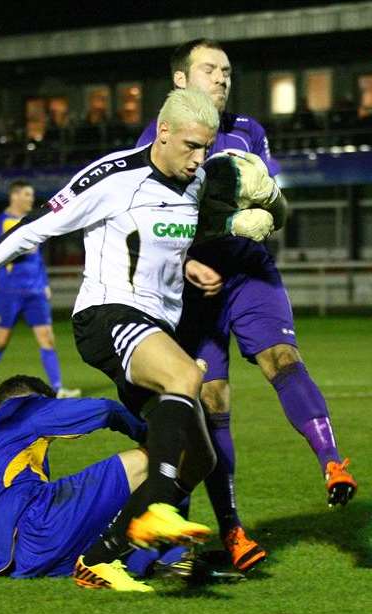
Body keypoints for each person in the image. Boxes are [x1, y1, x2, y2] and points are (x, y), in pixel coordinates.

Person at [0, 88, 268, 592]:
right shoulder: (112, 176)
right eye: (191, 146)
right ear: (162, 132)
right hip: (106, 316)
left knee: (199, 457)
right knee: (187, 376)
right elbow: (34, 228)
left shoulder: (196, 179)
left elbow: (167, 235)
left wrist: (195, 259)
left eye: (206, 148)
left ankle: (103, 555)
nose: (199, 159)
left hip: (156, 327)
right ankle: (156, 507)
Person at [133, 38, 357, 577]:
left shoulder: (248, 130)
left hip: (249, 271)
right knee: (211, 399)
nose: (222, 77)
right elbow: (158, 219)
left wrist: (271, 210)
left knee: (282, 357)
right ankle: (232, 529)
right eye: (209, 68)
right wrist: (221, 227)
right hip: (195, 285)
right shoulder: (155, 141)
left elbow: (270, 196)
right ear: (180, 81)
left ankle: (332, 462)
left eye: (227, 70)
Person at [0, 374, 154, 591]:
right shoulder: (26, 407)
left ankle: (155, 561)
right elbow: (107, 410)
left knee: (103, 529)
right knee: (160, 457)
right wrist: (146, 433)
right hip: (40, 529)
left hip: (20, 562)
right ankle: (171, 555)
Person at [0, 180, 80, 408]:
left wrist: (44, 283)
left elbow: (37, 258)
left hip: (35, 292)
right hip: (9, 292)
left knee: (47, 338)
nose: (31, 199)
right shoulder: (0, 223)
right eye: (28, 195)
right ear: (15, 196)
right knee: (0, 341)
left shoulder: (32, 222)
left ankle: (58, 389)